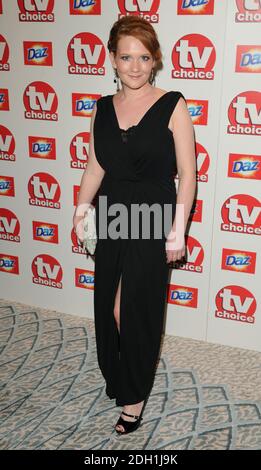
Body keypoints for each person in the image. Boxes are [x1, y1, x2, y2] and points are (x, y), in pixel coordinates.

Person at [73, 16, 196, 435]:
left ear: (154, 60)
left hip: (152, 218)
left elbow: (188, 174)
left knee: (134, 310)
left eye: (144, 57)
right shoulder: (102, 109)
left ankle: (134, 397)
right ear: (112, 58)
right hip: (110, 216)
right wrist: (80, 209)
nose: (135, 66)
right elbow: (94, 167)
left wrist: (178, 229)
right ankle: (122, 376)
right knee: (109, 308)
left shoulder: (172, 103)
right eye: (126, 56)